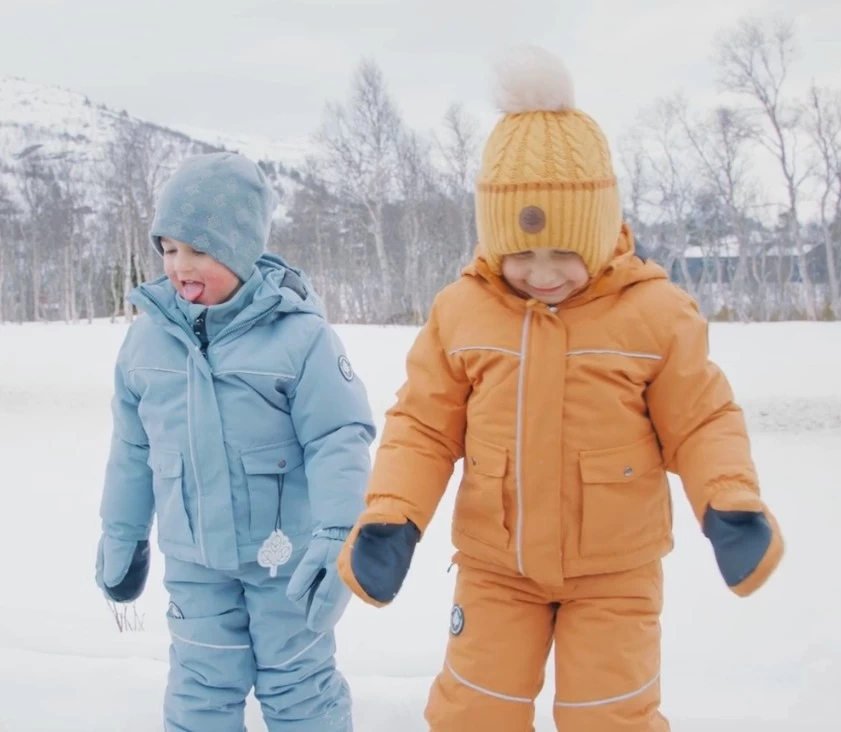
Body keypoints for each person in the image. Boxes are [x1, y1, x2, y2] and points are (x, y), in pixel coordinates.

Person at [337, 46, 784, 731]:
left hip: (614, 573)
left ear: (601, 233)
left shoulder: (654, 314)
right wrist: (393, 514)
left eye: (563, 253)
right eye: (520, 254)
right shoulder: (462, 312)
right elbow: (423, 426)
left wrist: (728, 500)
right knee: (471, 713)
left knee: (609, 717)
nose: (541, 274)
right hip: (495, 568)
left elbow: (699, 421)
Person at [94, 151, 375, 731]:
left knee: (299, 684)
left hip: (285, 560)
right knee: (200, 687)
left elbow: (338, 439)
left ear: (242, 250)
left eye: (199, 250)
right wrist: (122, 534)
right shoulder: (147, 343)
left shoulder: (298, 337)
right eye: (169, 249)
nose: (179, 266)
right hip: (193, 560)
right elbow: (132, 450)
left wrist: (334, 536)